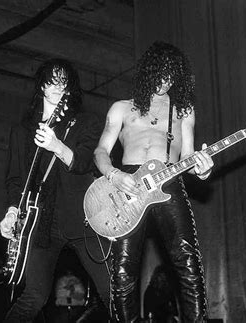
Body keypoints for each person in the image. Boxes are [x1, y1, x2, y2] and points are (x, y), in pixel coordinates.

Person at [94, 41, 214, 322]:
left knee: (187, 261)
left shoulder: (183, 110)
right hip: (127, 184)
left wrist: (203, 169)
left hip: (168, 180)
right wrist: (114, 174)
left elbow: (190, 158)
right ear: (149, 70)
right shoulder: (121, 108)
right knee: (123, 269)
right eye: (161, 72)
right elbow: (100, 152)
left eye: (172, 74)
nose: (166, 80)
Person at [0, 58, 110, 322]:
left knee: (112, 292)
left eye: (64, 81)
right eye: (52, 79)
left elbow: (83, 162)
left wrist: (57, 145)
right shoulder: (21, 130)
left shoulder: (86, 122)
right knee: (35, 295)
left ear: (70, 89)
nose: (58, 85)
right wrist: (12, 212)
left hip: (82, 218)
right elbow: (15, 179)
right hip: (41, 223)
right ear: (42, 86)